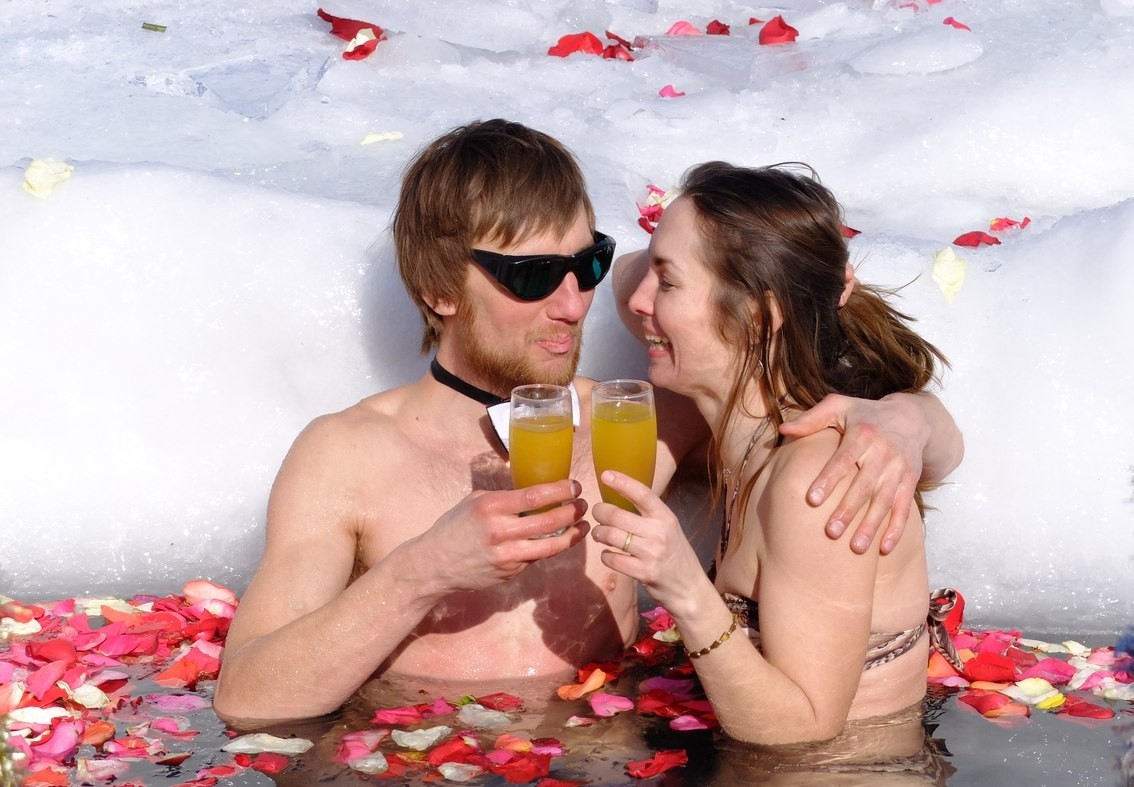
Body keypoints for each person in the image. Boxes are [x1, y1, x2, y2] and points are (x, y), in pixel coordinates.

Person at [212, 122, 963, 725]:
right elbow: (247, 696)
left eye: (590, 264)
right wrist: (424, 570)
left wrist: (903, 420)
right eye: (533, 276)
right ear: (439, 286)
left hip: (599, 754)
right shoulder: (346, 455)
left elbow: (748, 313)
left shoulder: (638, 419)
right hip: (404, 770)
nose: (574, 305)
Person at [591, 160, 960, 746]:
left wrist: (685, 587)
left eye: (666, 281)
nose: (637, 300)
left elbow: (805, 729)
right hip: (763, 779)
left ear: (760, 316)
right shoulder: (752, 426)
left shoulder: (816, 482)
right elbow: (628, 282)